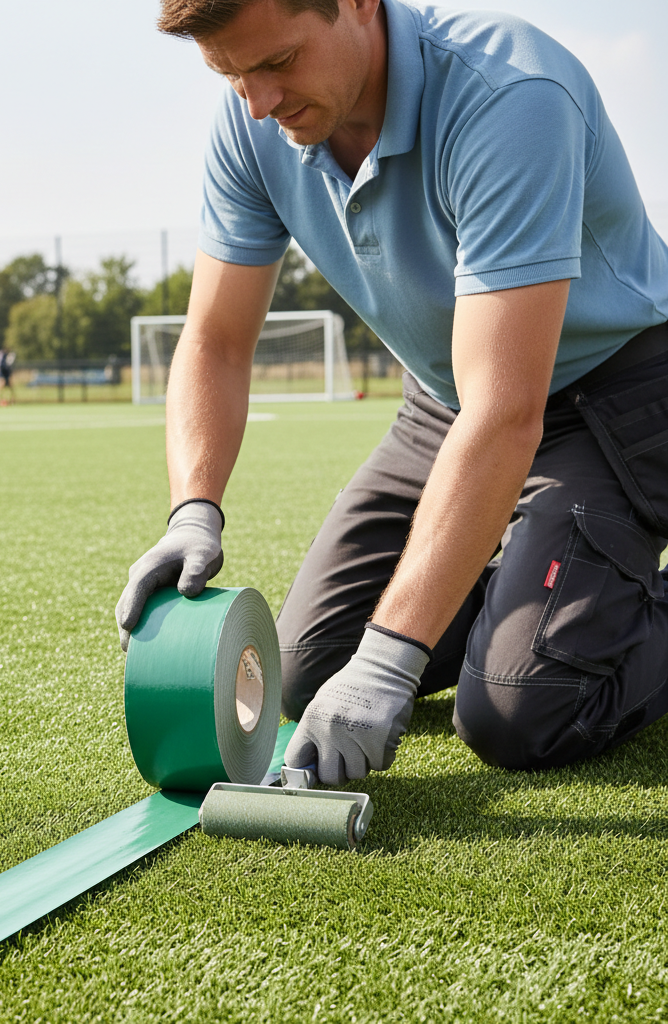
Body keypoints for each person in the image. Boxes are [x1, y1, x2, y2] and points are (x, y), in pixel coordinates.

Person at [115, 0, 668, 785]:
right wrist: (193, 510)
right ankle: (531, 578)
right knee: (308, 670)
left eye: (277, 63)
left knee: (520, 708)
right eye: (231, 74)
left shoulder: (509, 93)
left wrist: (390, 661)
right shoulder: (250, 122)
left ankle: (563, 608)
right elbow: (215, 340)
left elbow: (506, 413)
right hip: (444, 404)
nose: (259, 103)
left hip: (607, 397)